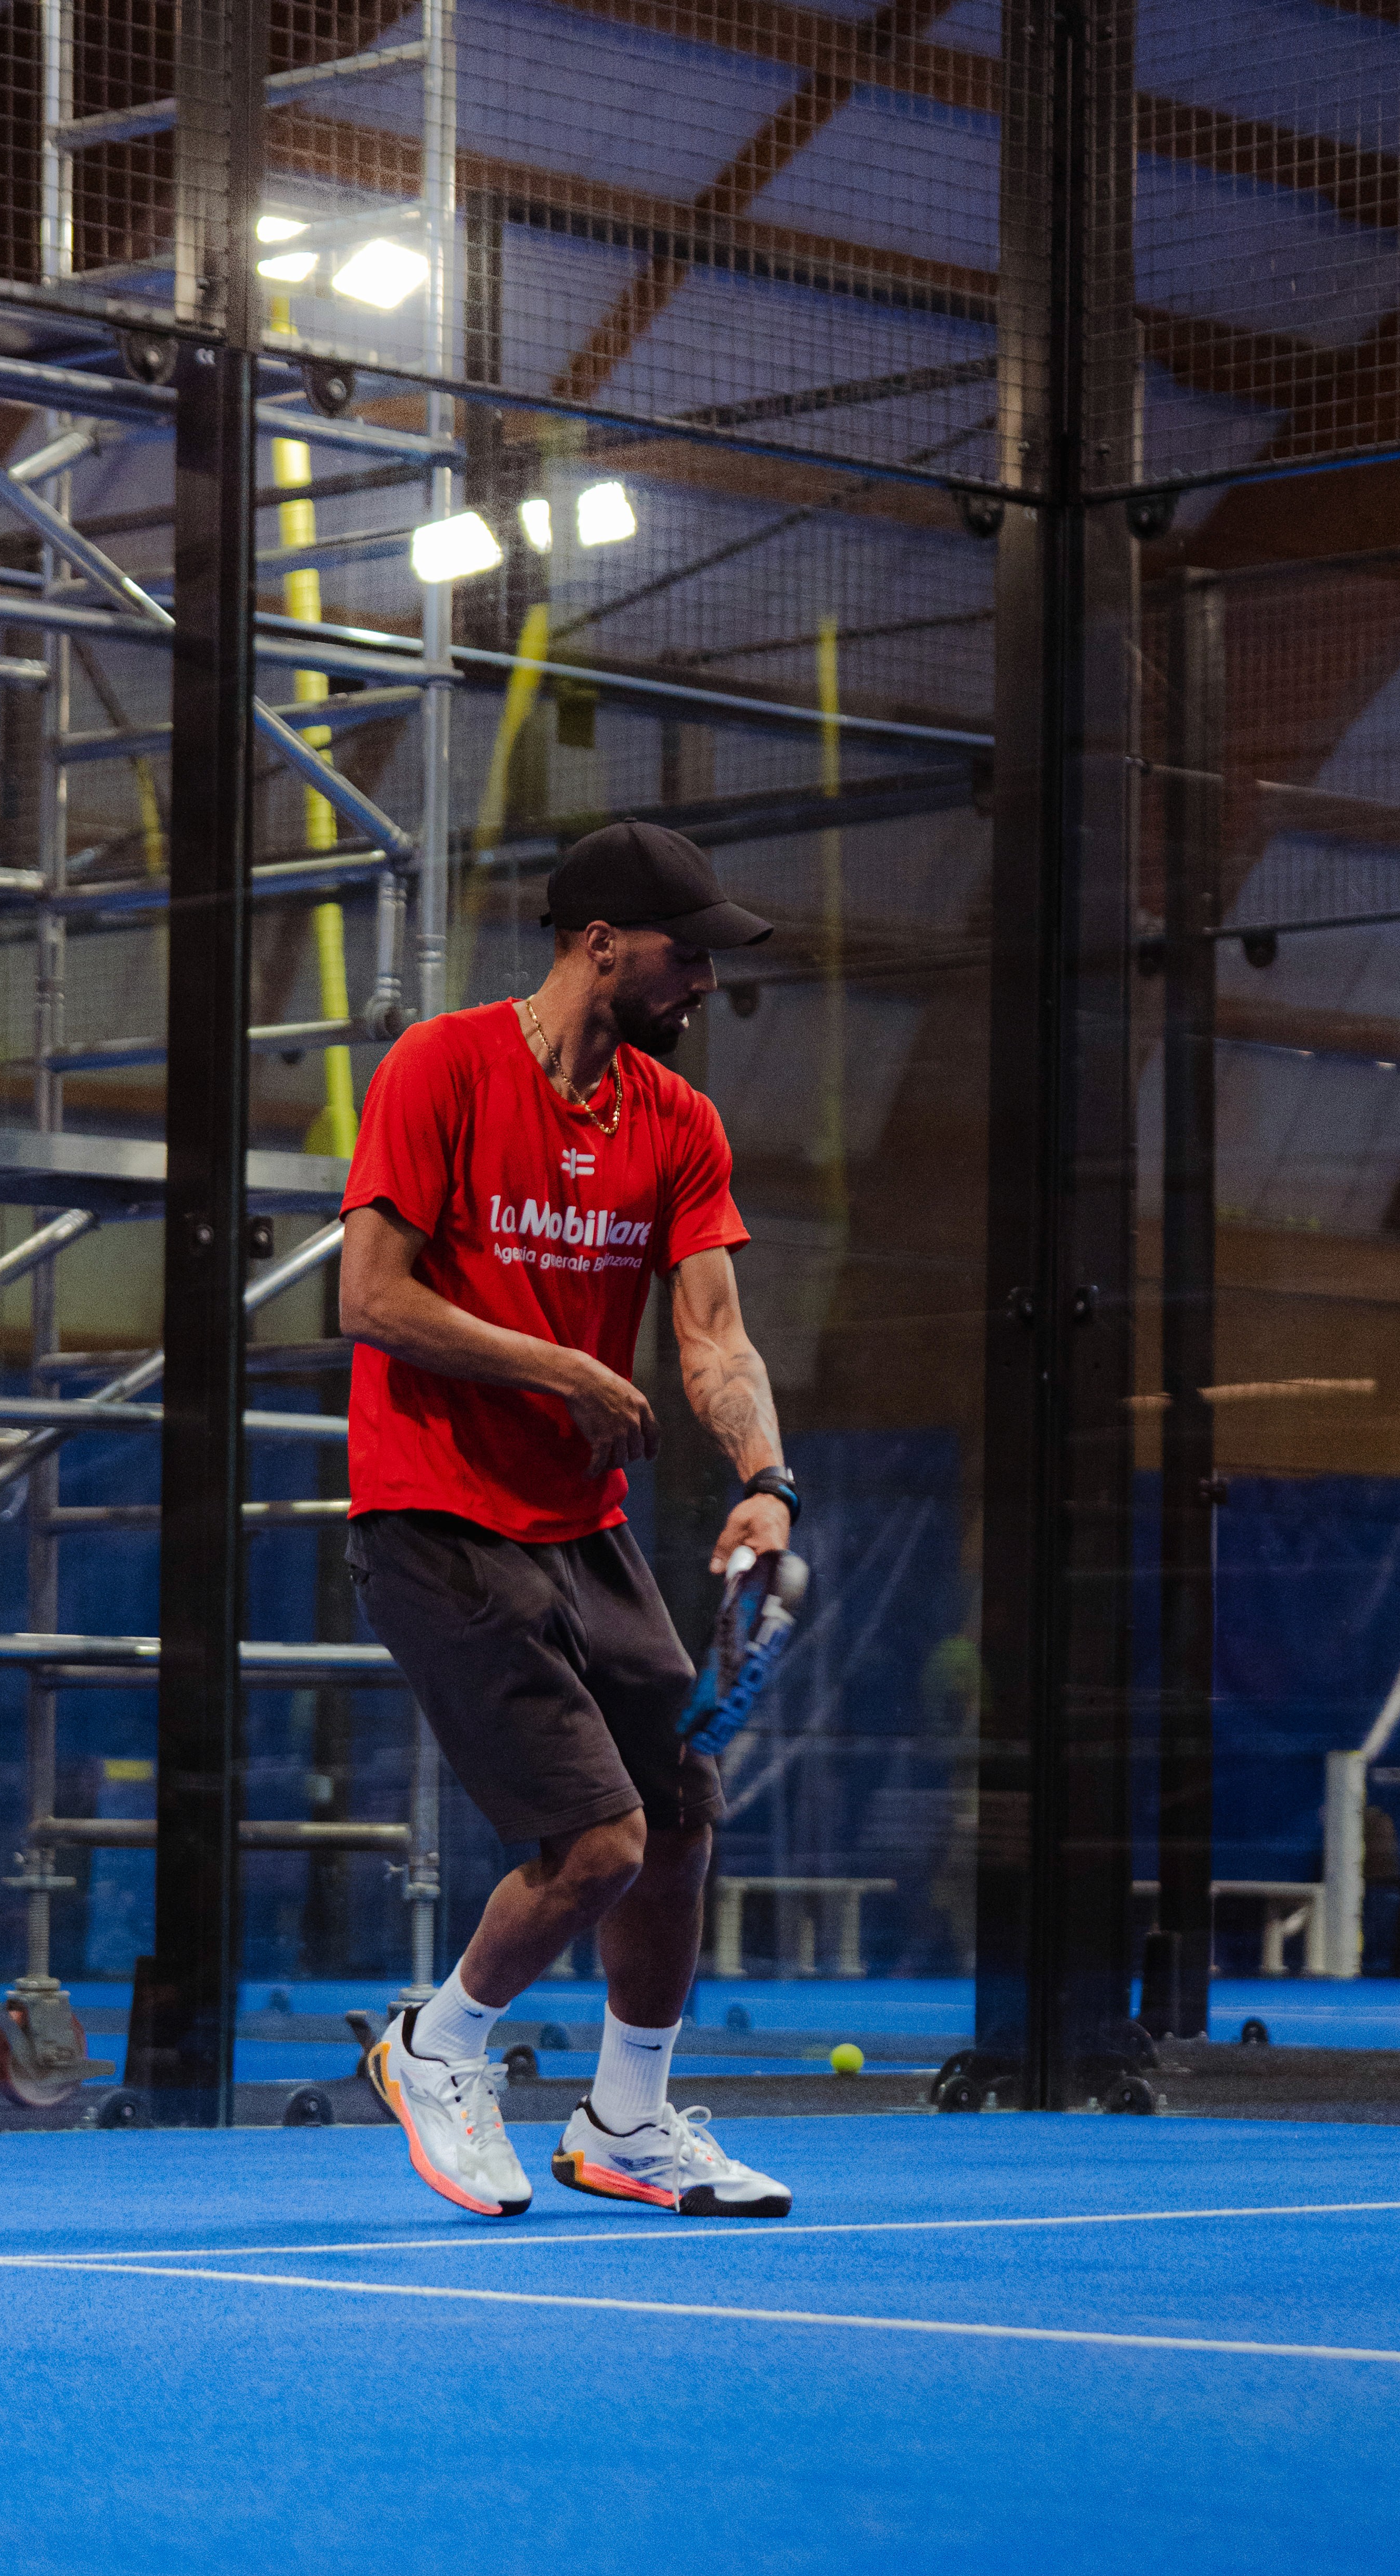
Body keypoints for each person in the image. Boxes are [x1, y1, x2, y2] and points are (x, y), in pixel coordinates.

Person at [338, 820, 798, 2221]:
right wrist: (566, 1367)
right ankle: (439, 2045)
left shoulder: (677, 1123)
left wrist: (767, 1484)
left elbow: (713, 1339)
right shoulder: (443, 1068)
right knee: (597, 1840)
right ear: (601, 941)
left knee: (678, 1811)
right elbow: (369, 1297)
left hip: (576, 1523)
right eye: (686, 953)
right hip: (433, 1510)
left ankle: (627, 2122)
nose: (705, 982)